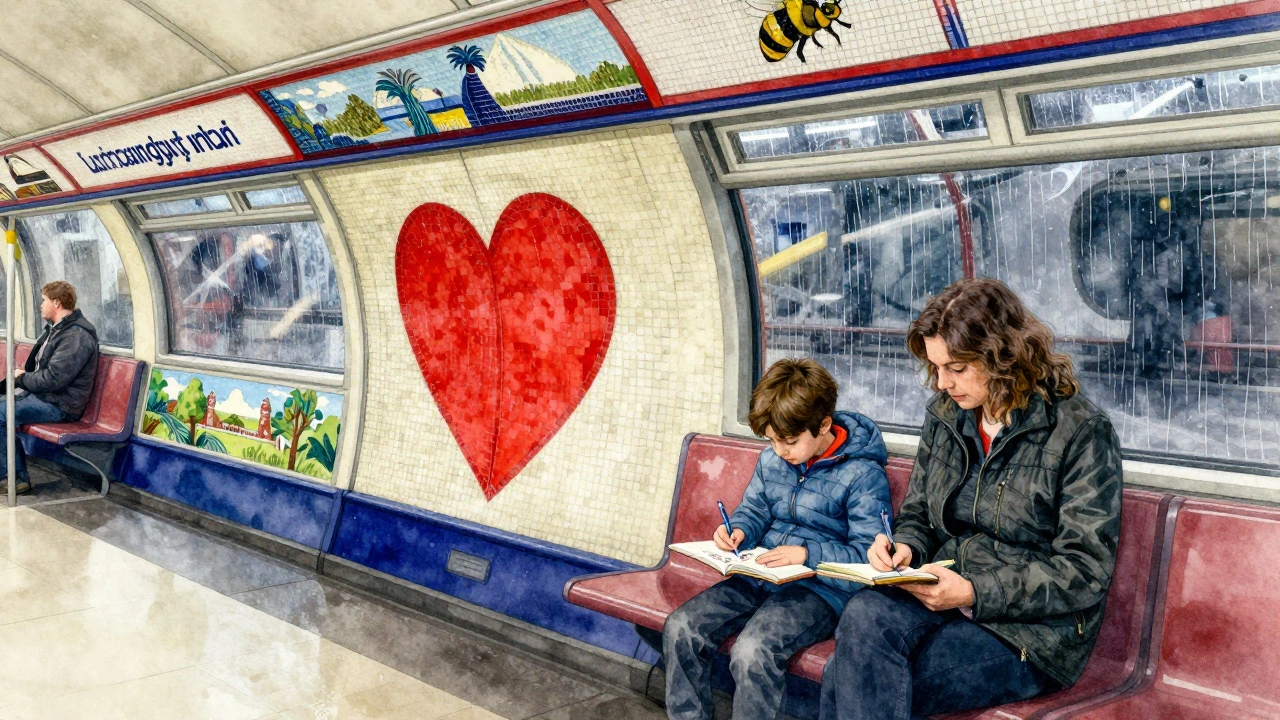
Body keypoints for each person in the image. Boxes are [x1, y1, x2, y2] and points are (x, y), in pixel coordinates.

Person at [818, 277, 1123, 720]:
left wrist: (976, 592)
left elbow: (1085, 569)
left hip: (1031, 632)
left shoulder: (1080, 431)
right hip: (945, 587)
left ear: (1003, 357)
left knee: (855, 678)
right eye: (936, 367)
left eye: (956, 368)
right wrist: (905, 546)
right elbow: (919, 512)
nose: (942, 383)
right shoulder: (947, 416)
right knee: (864, 615)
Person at [663, 358, 891, 720]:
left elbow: (867, 556)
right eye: (771, 440)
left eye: (790, 441)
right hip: (761, 573)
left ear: (824, 425)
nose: (780, 450)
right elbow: (754, 510)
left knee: (753, 651)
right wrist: (739, 530)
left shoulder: (863, 475)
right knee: (681, 628)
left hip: (818, 591)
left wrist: (805, 554)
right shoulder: (773, 460)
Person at [0, 281, 99, 494]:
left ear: (56, 302)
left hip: (61, 405)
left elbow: (54, 379)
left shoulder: (76, 336)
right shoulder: (57, 330)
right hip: (46, 397)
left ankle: (15, 478)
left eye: (43, 300)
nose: (40, 305)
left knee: (0, 413)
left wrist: (22, 379)